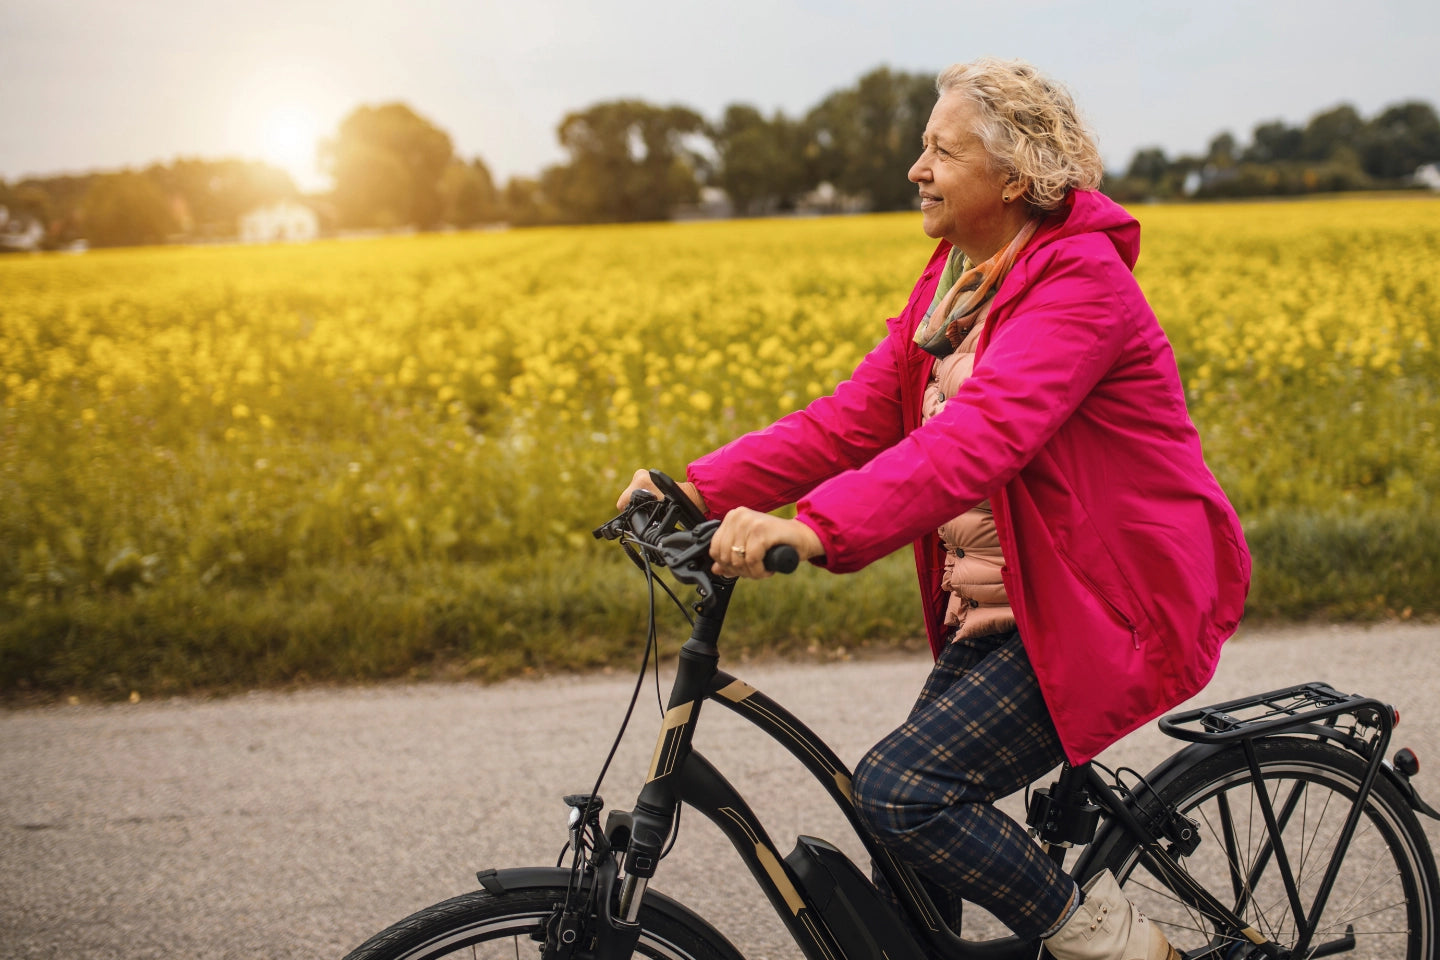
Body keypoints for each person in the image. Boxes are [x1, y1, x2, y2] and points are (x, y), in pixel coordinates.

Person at [618, 57, 1249, 960]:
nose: (916, 168)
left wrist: (813, 529)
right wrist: (696, 488)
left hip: (1107, 606)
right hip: (1011, 603)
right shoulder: (958, 284)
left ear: (1016, 176)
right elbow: (856, 416)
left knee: (903, 791)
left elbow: (979, 438)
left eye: (941, 150)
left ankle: (1115, 943)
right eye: (923, 146)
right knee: (895, 827)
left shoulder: (1079, 287)